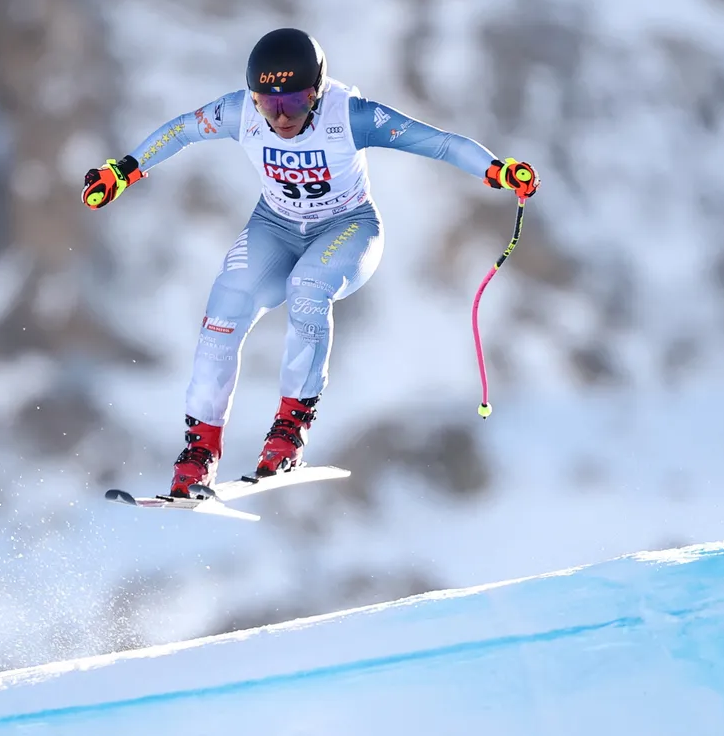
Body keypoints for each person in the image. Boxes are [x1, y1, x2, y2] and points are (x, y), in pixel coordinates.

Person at [81, 27, 539, 498]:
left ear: (317, 92)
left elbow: (437, 142)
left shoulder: (352, 116)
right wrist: (125, 170)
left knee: (308, 289)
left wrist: (496, 170)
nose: (280, 117)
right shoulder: (240, 112)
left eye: (295, 104)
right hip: (274, 226)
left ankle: (288, 433)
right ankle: (200, 452)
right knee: (224, 309)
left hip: (347, 228)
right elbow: (182, 130)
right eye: (267, 103)